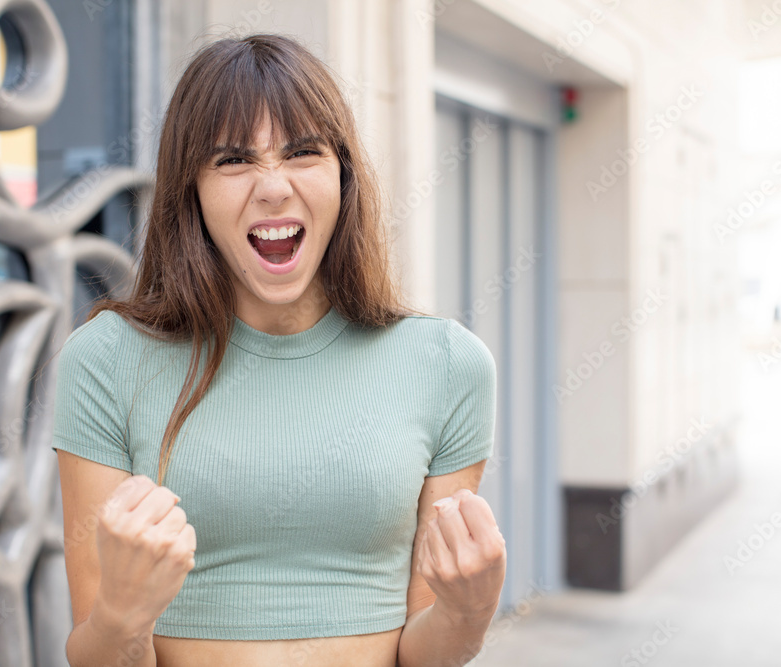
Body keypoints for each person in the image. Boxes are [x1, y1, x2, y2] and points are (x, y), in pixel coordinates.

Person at [51, 32, 506, 667]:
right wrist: (123, 615)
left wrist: (468, 611)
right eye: (233, 160)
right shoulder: (104, 359)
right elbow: (96, 654)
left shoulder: (446, 365)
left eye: (302, 152)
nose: (272, 187)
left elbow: (425, 655)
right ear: (192, 191)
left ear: (342, 176)